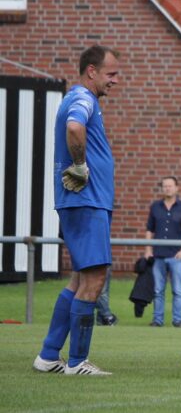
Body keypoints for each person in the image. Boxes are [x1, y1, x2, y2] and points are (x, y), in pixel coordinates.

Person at [34, 45, 120, 376]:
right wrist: (81, 165)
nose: (115, 80)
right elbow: (74, 127)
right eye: (111, 74)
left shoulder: (78, 98)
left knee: (78, 279)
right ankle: (77, 362)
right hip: (87, 202)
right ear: (91, 71)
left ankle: (48, 355)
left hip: (84, 202)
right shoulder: (83, 99)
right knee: (95, 279)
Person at [144, 176, 181, 328]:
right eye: (165, 186)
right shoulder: (155, 207)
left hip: (176, 256)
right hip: (158, 255)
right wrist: (148, 249)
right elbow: (149, 229)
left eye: (170, 186)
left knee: (178, 290)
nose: (167, 188)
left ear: (177, 188)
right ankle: (157, 321)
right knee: (158, 290)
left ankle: (177, 320)